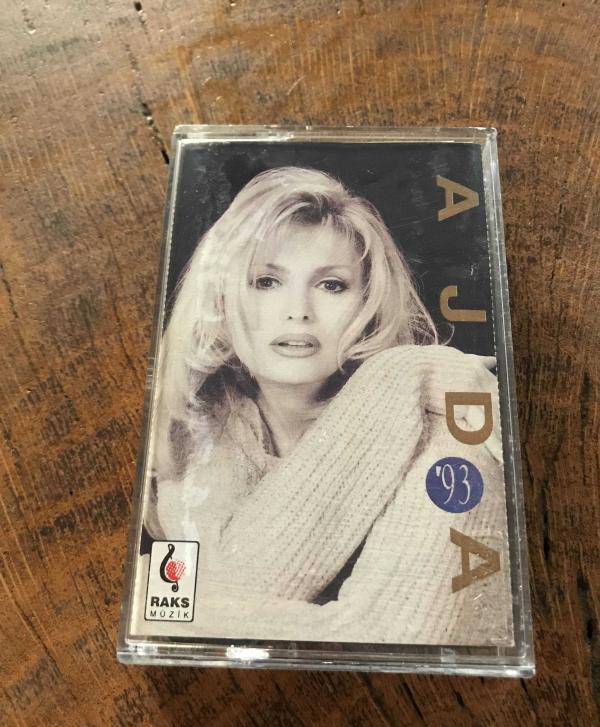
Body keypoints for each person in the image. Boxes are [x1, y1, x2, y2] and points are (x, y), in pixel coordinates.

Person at [142, 166, 513, 646]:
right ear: (221, 300)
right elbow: (222, 587)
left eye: (331, 285)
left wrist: (399, 372)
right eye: (265, 281)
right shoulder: (201, 431)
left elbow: (392, 641)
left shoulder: (453, 440)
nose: (298, 310)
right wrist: (402, 376)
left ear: (368, 305)